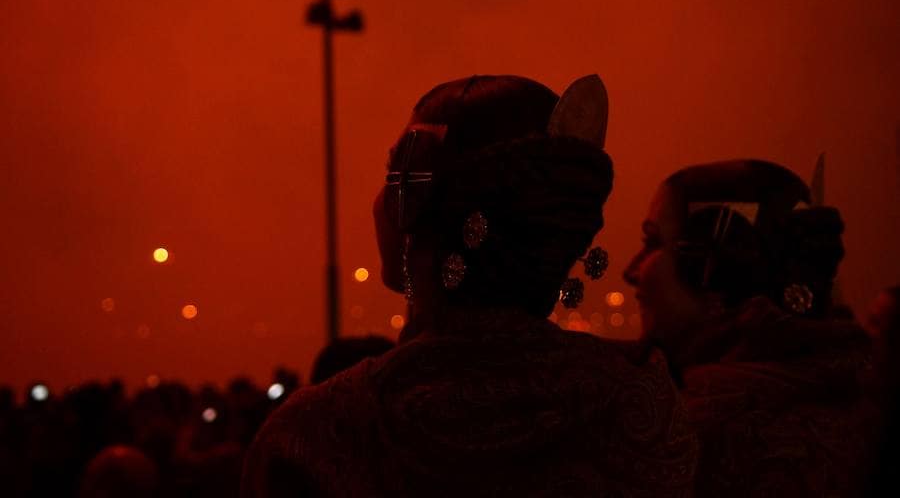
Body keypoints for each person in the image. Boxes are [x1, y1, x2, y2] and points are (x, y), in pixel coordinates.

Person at [243, 75, 697, 497]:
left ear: (414, 207)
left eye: (395, 177)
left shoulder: (316, 435)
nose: (380, 202)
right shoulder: (646, 404)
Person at [624, 159, 877, 496]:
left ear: (709, 271)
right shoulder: (857, 405)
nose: (631, 270)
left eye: (652, 242)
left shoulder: (692, 449)